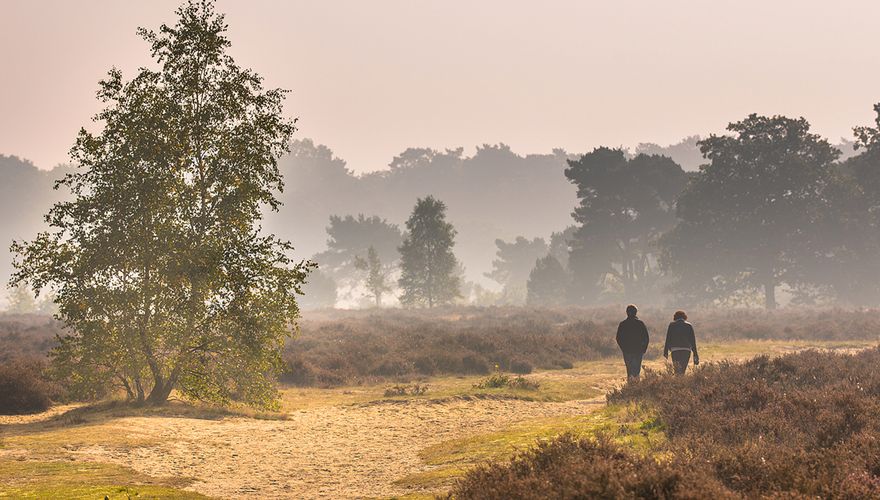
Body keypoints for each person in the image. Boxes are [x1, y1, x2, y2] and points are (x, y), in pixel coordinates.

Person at [616, 304, 649, 380]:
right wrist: (644, 349)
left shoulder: (623, 324)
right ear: (636, 312)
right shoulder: (640, 323)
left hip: (627, 351)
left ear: (627, 312)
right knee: (636, 370)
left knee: (629, 370)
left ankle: (630, 387)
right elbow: (646, 337)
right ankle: (636, 387)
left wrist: (623, 348)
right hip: (638, 350)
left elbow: (618, 338)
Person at [664, 310, 699, 375]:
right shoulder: (689, 326)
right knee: (683, 369)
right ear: (684, 317)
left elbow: (668, 338)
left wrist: (665, 351)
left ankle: (678, 382)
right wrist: (695, 354)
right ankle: (681, 382)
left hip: (675, 350)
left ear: (675, 317)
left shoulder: (672, 325)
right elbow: (693, 341)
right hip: (686, 350)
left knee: (677, 369)